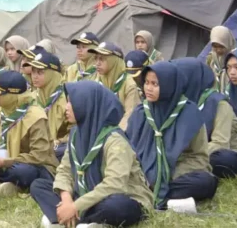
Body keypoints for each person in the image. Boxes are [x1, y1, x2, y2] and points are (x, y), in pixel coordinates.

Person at [29, 81, 153, 228]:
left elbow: (115, 185)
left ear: (88, 106)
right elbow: (64, 170)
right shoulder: (76, 133)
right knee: (39, 185)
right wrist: (67, 198)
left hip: (120, 196)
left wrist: (76, 207)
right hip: (85, 194)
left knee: (117, 206)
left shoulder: (115, 140)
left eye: (71, 103)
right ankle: (81, 219)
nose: (66, 107)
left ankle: (67, 218)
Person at [126, 61, 217, 212]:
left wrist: (166, 174)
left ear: (169, 85)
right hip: (144, 176)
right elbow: (129, 150)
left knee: (206, 182)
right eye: (147, 83)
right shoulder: (140, 112)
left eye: (155, 84)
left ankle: (157, 198)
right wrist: (146, 174)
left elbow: (199, 157)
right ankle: (168, 200)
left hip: (176, 176)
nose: (148, 88)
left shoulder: (189, 113)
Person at [174, 57, 237, 179]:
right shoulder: (180, 102)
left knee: (220, 159)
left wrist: (192, 155)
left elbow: (221, 143)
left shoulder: (218, 103)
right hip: (198, 154)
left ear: (192, 79)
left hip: (232, 151)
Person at [0, 71, 57, 196]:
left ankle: (1, 184)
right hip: (3, 163)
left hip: (34, 166)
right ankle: (5, 185)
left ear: (12, 94)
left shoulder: (35, 116)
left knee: (23, 171)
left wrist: (5, 162)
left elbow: (39, 156)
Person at [28, 52, 70, 160]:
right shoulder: (30, 99)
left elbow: (74, 131)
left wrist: (59, 141)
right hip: (34, 151)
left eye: (40, 72)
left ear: (53, 74)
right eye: (33, 71)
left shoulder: (67, 99)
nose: (34, 76)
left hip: (60, 152)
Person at [90, 41, 140, 130]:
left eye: (102, 59)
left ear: (114, 61)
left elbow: (130, 115)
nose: (97, 63)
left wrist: (115, 134)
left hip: (121, 134)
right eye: (96, 58)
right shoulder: (95, 81)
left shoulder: (128, 84)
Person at [206, 26, 236, 93]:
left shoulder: (236, 60)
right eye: (215, 47)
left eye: (222, 46)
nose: (218, 50)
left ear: (228, 43)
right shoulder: (211, 59)